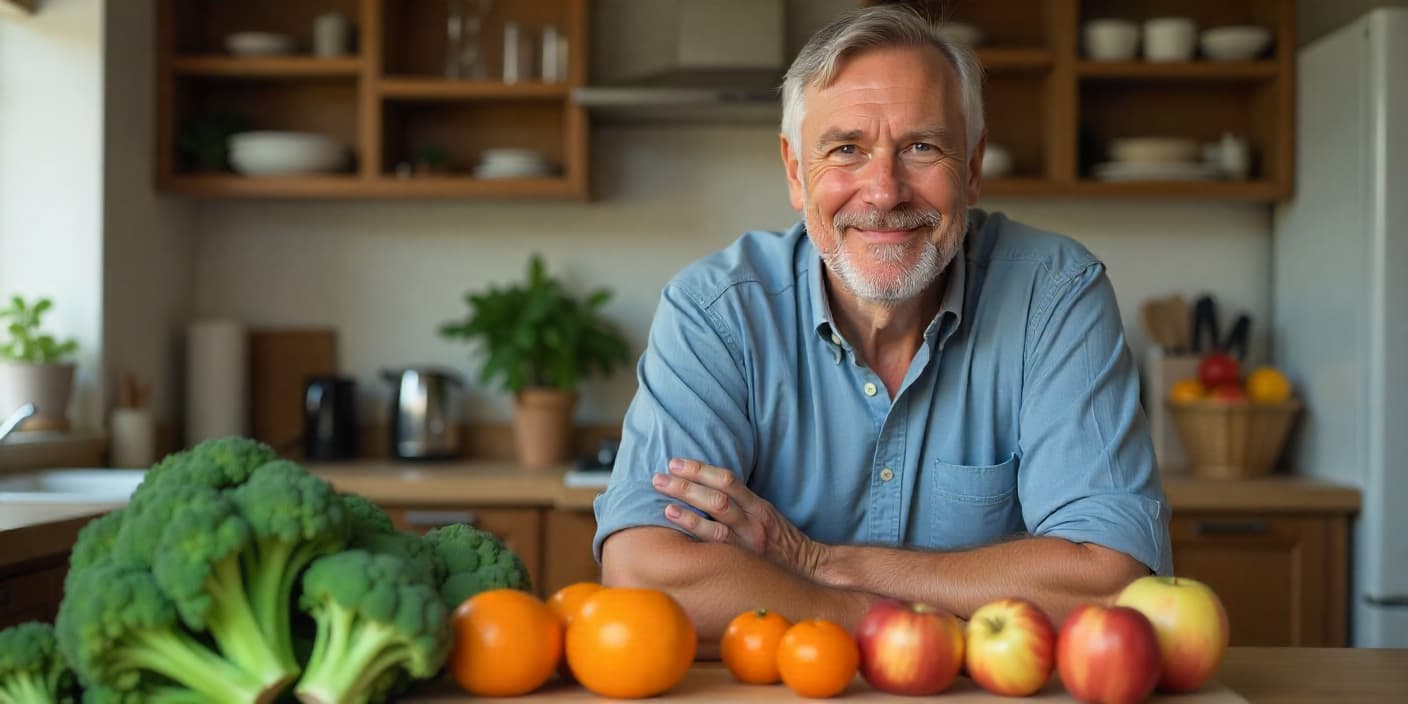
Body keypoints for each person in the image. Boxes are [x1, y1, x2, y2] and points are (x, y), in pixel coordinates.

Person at [592, 4, 1171, 654]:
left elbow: (1111, 583)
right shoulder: (717, 309)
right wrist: (892, 621)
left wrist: (818, 564)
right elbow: (644, 573)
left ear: (973, 166)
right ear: (793, 170)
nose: (884, 191)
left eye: (922, 147)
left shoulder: (1054, 294)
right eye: (846, 149)